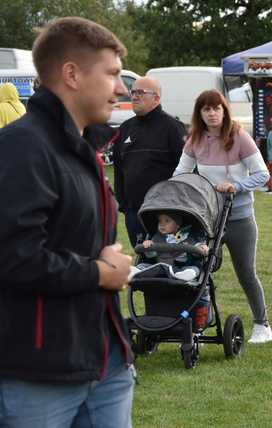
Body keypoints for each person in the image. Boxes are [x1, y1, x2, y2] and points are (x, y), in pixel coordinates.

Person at [0, 17, 134, 427]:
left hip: (105, 359)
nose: (123, 88)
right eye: (112, 73)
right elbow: (13, 258)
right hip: (39, 372)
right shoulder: (24, 147)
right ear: (72, 74)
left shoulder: (81, 146)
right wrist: (100, 272)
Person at [173, 89, 272, 344]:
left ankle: (263, 325)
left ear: (224, 110)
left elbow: (262, 174)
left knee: (246, 273)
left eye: (216, 108)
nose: (212, 113)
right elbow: (180, 173)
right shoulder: (195, 139)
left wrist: (236, 185)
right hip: (208, 218)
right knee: (199, 270)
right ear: (200, 114)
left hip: (239, 217)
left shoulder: (239, 137)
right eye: (206, 109)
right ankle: (198, 320)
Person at [113, 76, 186, 247]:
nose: (134, 96)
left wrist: (173, 211)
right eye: (133, 92)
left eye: (141, 92)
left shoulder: (173, 127)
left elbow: (185, 170)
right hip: (133, 212)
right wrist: (124, 204)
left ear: (157, 98)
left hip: (163, 214)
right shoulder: (126, 128)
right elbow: (118, 169)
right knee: (142, 261)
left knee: (166, 261)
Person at [129, 212, 209, 282]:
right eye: (160, 221)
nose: (162, 224)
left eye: (167, 221)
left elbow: (196, 249)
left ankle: (185, 276)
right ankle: (136, 271)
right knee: (143, 265)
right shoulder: (157, 237)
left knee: (194, 269)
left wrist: (201, 247)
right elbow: (151, 255)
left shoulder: (187, 237)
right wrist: (148, 246)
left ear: (177, 225)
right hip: (159, 266)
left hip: (181, 267)